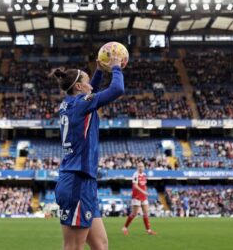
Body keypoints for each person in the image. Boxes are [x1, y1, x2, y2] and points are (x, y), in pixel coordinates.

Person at [52, 55, 124, 250]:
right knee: (73, 247)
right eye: (87, 81)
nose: (91, 85)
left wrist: (100, 71)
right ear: (79, 87)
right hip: (77, 182)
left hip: (83, 182)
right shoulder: (82, 103)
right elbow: (117, 89)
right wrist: (116, 68)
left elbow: (92, 91)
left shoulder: (70, 104)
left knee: (101, 245)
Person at [122, 162, 156, 235]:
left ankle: (148, 230)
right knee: (134, 213)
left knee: (146, 213)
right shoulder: (135, 174)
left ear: (144, 167)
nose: (141, 168)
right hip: (136, 196)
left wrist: (145, 191)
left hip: (143, 196)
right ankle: (125, 227)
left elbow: (144, 185)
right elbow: (135, 186)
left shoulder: (144, 175)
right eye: (139, 166)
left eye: (142, 166)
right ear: (137, 167)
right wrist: (144, 192)